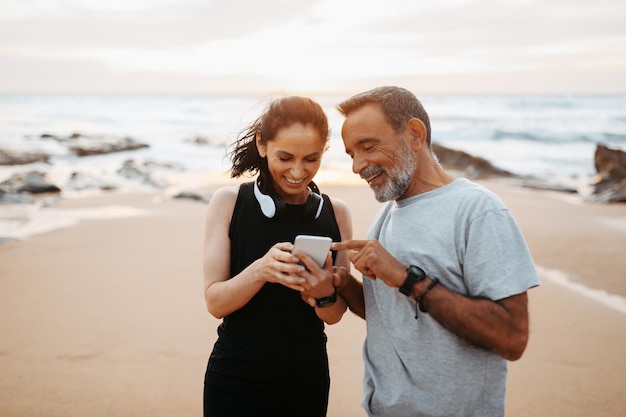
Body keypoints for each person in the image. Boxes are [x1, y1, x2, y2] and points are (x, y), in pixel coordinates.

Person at [331, 86, 540, 417]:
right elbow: (394, 319)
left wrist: (406, 278)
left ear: (415, 134)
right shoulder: (386, 215)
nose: (357, 165)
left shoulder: (477, 210)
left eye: (368, 147)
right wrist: (341, 286)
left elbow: (512, 337)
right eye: (350, 154)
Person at [202, 95, 352, 417]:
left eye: (311, 159)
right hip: (235, 377)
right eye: (285, 157)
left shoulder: (337, 213)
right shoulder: (228, 203)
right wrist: (261, 270)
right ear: (262, 144)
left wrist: (325, 294)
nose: (298, 172)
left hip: (306, 379)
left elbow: (335, 315)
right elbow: (215, 303)